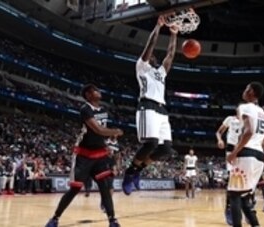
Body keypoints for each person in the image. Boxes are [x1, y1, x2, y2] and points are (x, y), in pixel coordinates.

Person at [45, 83, 123, 227]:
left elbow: (102, 132)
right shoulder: (85, 109)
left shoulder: (104, 110)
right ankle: (55, 218)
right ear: (88, 95)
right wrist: (115, 131)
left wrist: (109, 141)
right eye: (95, 90)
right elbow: (98, 129)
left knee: (105, 187)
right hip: (84, 154)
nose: (98, 91)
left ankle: (112, 220)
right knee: (75, 189)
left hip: (99, 154)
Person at [122, 16, 178, 195]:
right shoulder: (141, 66)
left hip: (162, 109)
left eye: (154, 56)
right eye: (150, 55)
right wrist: (158, 26)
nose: (153, 56)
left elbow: (170, 55)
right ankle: (129, 173)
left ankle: (138, 171)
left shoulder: (160, 72)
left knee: (166, 148)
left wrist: (174, 34)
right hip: (147, 106)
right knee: (151, 142)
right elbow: (150, 45)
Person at [227, 81, 264, 227]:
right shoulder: (263, 113)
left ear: (251, 91)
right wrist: (255, 146)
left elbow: (249, 131)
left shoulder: (244, 107)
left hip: (246, 154)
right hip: (259, 156)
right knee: (244, 197)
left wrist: (234, 153)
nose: (244, 91)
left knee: (233, 194)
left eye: (246, 88)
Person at [216, 108, 242, 225]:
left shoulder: (247, 121)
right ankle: (228, 209)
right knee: (232, 180)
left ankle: (246, 207)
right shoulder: (230, 119)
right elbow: (218, 132)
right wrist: (220, 140)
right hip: (231, 149)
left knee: (243, 182)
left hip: (242, 149)